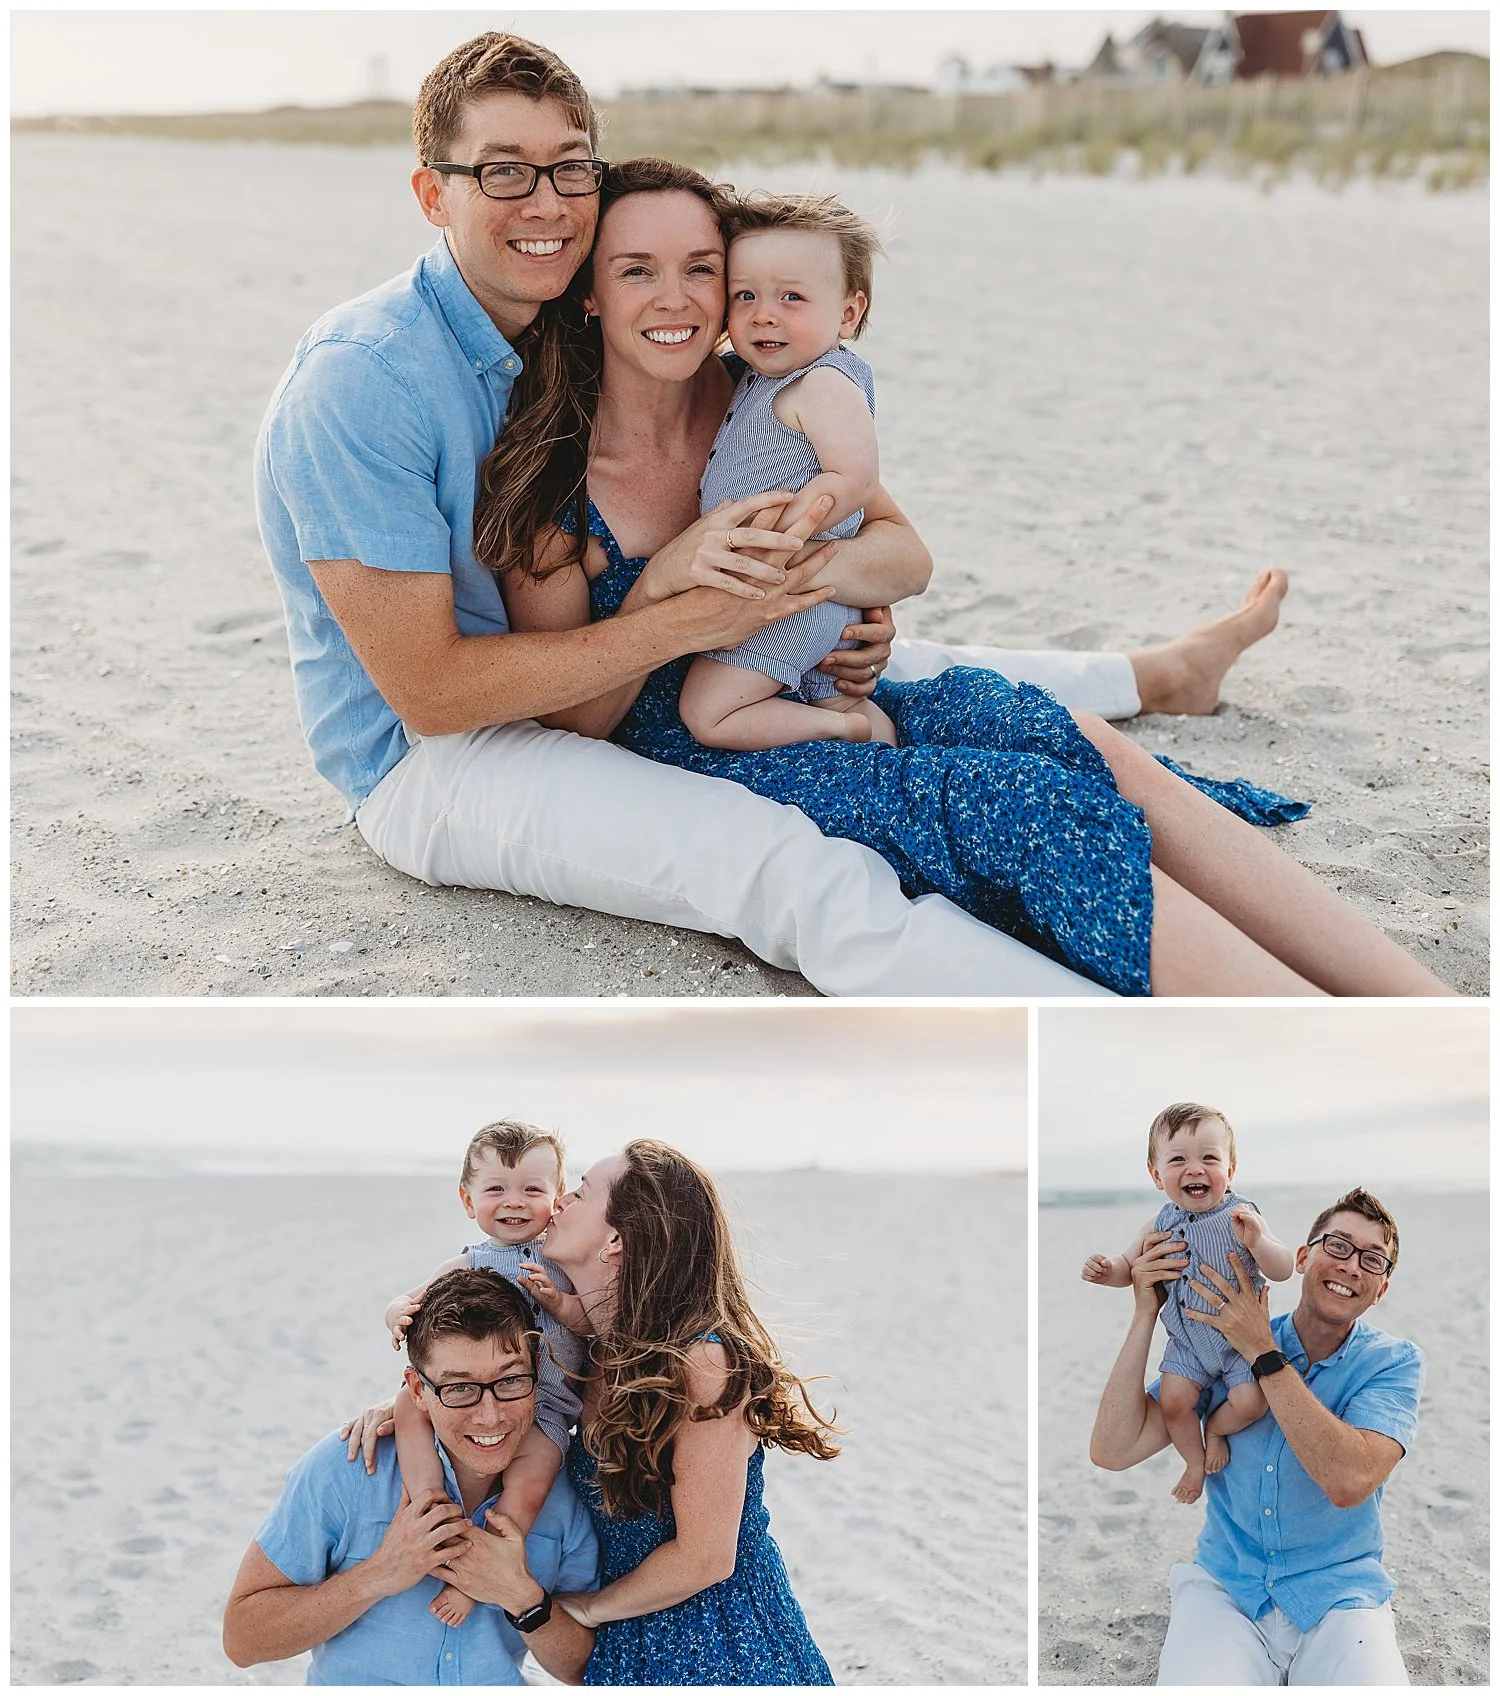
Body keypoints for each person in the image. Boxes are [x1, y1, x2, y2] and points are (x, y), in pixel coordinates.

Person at [254, 28, 1295, 998]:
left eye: (570, 165)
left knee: (914, 668)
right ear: (432, 194)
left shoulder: (589, 340)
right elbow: (432, 694)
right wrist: (676, 603)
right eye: (502, 170)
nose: (546, 200)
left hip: (613, 664)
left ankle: (1156, 675)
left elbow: (854, 537)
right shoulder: (366, 381)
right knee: (782, 861)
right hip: (436, 756)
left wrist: (839, 584)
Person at [484, 156, 1453, 999]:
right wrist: (668, 593)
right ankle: (1313, 1025)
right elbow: (577, 720)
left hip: (808, 674)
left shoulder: (757, 397)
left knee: (1045, 727)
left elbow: (904, 554)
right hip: (709, 743)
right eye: (638, 270)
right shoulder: (553, 481)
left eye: (705, 271)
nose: (681, 298)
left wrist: (828, 593)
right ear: (591, 292)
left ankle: (1424, 1007)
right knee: (1027, 806)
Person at [349, 1140, 838, 1685]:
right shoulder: (598, 1349)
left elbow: (706, 1559)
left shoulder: (702, 1363)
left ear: (615, 1242)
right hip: (626, 1643)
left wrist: (589, 1609)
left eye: (579, 1193)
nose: (557, 1203)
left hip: (723, 1644)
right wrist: (417, 1401)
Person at [1088, 1187, 1423, 1685]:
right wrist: (1145, 1313)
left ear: (1382, 1288)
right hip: (1228, 1589)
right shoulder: (1225, 1339)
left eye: (1373, 1260)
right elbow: (1112, 1451)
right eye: (1339, 1246)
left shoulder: (1393, 1362)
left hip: (1339, 1596)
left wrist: (1263, 1351)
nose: (1352, 1265)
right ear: (1305, 1258)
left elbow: (1350, 1481)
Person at [222, 1268, 600, 1684]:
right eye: (459, 1388)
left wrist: (522, 1597)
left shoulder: (567, 1494)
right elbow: (242, 1640)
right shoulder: (345, 1468)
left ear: (538, 1372)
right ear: (417, 1390)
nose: (491, 1416)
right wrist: (380, 1573)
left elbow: (585, 1670)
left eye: (510, 1380)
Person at [679, 193, 896, 749]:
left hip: (784, 597)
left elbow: (853, 477)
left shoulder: (822, 383)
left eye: (791, 297)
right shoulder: (762, 378)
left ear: (848, 314)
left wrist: (778, 540)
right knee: (843, 692)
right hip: (806, 600)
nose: (764, 313)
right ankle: (880, 744)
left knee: (708, 712)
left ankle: (838, 729)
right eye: (744, 295)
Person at [382, 1121, 585, 1629]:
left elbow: (592, 1320)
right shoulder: (469, 1262)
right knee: (409, 1406)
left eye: (532, 1189)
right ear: (468, 1200)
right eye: (496, 1188)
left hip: (548, 1407)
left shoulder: (565, 1263)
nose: (513, 1201)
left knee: (529, 1484)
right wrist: (395, 1313)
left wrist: (558, 1301)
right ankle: (428, 1502)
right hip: (479, 1395)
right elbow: (412, 1297)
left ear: (557, 1198)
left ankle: (484, 1571)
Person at [1081, 1103, 1293, 1503]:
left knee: (1250, 1403)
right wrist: (1106, 1270)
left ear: (1230, 1171)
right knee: (1176, 1401)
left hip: (1240, 1345)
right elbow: (1128, 1268)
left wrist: (1259, 1243)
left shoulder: (1243, 1216)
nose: (1195, 1169)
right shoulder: (1159, 1224)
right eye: (1178, 1159)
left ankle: (1215, 1429)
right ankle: (1194, 1464)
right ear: (1156, 1175)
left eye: (1209, 1158)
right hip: (1188, 1342)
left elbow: (1283, 1269)